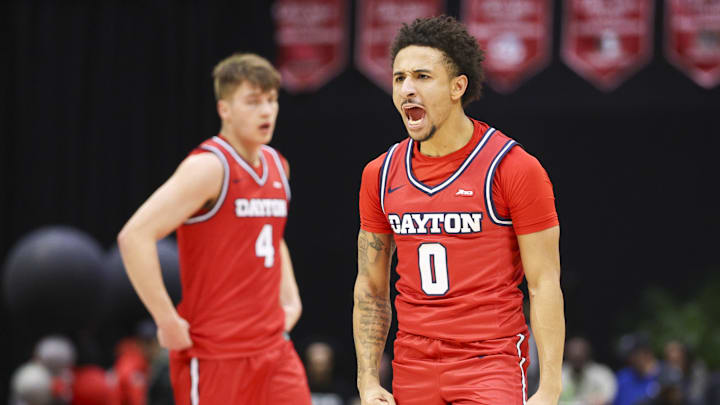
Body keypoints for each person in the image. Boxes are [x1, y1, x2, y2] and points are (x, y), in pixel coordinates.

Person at [354, 16, 565, 405]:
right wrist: (367, 380)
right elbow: (370, 287)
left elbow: (544, 284)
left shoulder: (513, 167)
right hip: (412, 364)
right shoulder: (380, 175)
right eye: (400, 78)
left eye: (422, 76)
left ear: (457, 86)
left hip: (490, 361)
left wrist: (550, 388)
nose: (407, 89)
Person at [118, 53, 311, 405]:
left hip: (273, 350)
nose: (266, 111)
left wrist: (290, 297)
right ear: (225, 109)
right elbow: (134, 237)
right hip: (216, 354)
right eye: (253, 102)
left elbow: (272, 234)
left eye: (271, 100)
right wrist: (166, 319)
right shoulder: (208, 167)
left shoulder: (277, 164)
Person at [560, 337, 617, 405]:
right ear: (566, 355)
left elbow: (607, 399)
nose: (577, 360)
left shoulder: (603, 374)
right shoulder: (557, 375)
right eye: (574, 358)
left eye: (580, 357)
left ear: (588, 354)